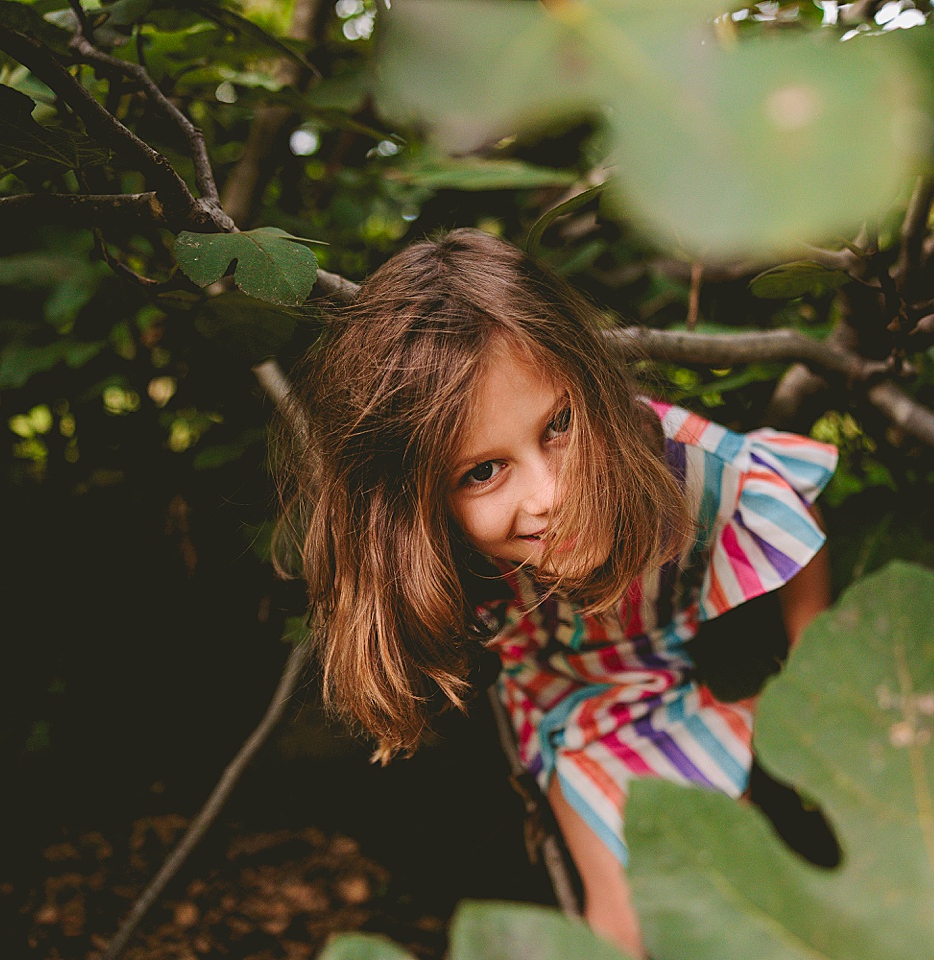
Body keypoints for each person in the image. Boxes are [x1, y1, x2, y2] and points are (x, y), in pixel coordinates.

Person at [276, 229, 836, 957]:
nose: (553, 494)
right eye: (482, 471)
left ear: (592, 383)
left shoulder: (675, 468)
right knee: (630, 916)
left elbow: (786, 500)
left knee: (741, 884)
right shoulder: (434, 546)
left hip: (692, 667)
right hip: (573, 694)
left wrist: (815, 655)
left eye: (559, 425)